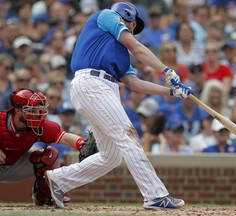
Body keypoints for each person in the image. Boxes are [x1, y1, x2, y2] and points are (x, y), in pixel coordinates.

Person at [44, 2, 190, 209]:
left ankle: (59, 179)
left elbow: (134, 83)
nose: (132, 29)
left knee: (111, 156)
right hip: (92, 83)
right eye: (132, 24)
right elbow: (137, 48)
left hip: (103, 88)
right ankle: (155, 195)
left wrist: (171, 91)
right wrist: (166, 70)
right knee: (127, 136)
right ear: (125, 15)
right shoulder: (105, 16)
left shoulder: (120, 54)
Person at [0, 89, 91, 205]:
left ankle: (45, 195)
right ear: (17, 110)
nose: (37, 114)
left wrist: (84, 144)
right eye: (31, 110)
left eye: (38, 109)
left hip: (15, 166)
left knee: (50, 155)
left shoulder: (39, 126)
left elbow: (65, 138)